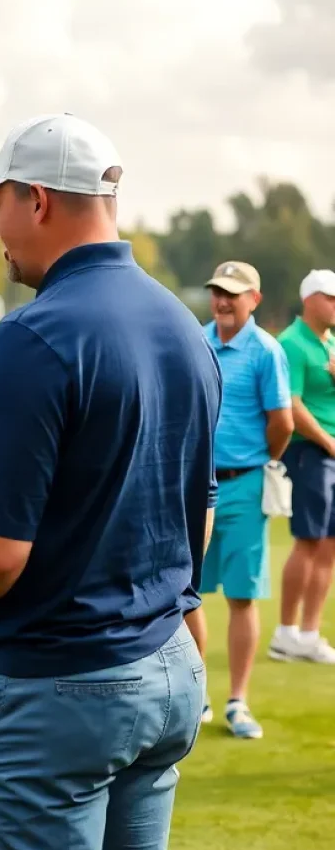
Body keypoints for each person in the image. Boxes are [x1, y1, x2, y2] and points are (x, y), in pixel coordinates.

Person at [0, 113, 222, 850]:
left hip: (63, 692)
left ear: (39, 199)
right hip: (164, 667)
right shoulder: (179, 326)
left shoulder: (31, 337)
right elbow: (193, 515)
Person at [183, 261, 292, 737]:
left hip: (246, 483)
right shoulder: (196, 341)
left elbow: (282, 422)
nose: (222, 301)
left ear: (254, 299)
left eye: (232, 293)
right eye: (217, 292)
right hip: (195, 482)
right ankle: (196, 692)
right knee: (186, 594)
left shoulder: (266, 351)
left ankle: (237, 701)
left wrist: (255, 460)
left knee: (243, 595)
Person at [269, 269, 335, 665]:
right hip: (309, 452)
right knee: (309, 539)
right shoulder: (292, 343)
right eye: (329, 298)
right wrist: (328, 441)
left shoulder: (331, 343)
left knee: (329, 544)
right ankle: (285, 632)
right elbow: (290, 403)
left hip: (330, 452)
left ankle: (309, 633)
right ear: (310, 299)